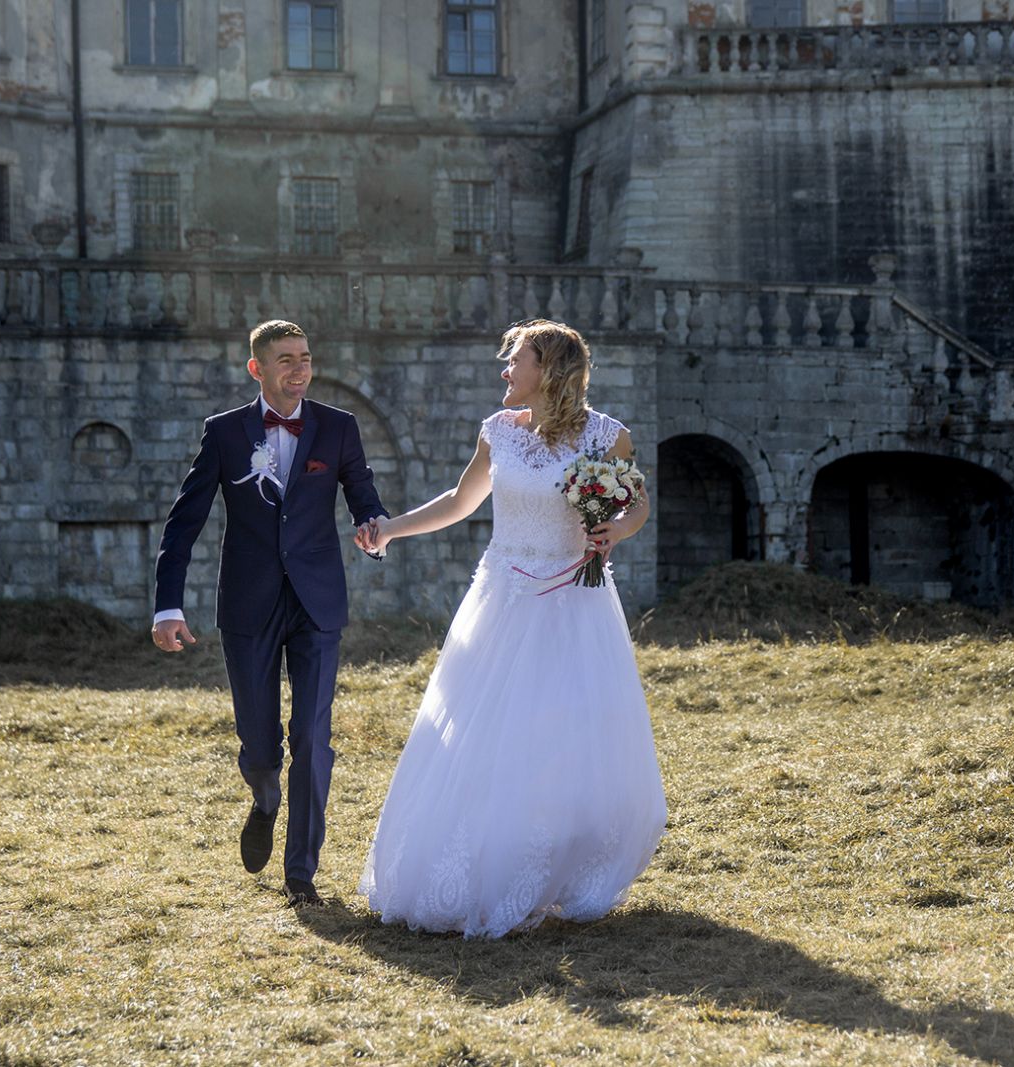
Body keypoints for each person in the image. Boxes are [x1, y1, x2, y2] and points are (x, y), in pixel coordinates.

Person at [352, 319, 667, 938]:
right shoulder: (497, 432)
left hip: (573, 603)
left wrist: (616, 530)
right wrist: (390, 529)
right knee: (485, 731)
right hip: (502, 599)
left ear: (548, 371)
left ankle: (556, 866)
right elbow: (459, 501)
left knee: (561, 733)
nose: (505, 370)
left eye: (515, 360)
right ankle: (485, 861)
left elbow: (636, 504)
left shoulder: (609, 436)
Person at [152, 319, 387, 907]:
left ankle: (301, 873)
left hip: (317, 602)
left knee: (312, 736)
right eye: (286, 359)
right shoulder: (224, 432)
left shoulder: (339, 427)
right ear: (257, 368)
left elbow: (363, 494)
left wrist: (373, 527)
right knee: (260, 745)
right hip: (247, 602)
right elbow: (184, 522)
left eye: (305, 358)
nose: (299, 369)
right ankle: (263, 797)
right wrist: (168, 605)